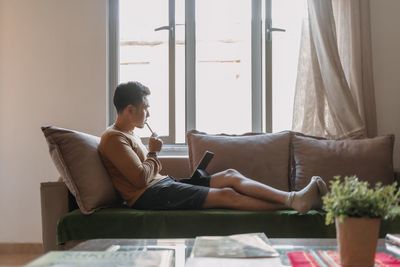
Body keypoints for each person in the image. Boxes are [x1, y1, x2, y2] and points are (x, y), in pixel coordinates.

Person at [99, 81, 328, 213]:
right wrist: (153, 152)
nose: (149, 113)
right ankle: (291, 204)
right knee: (227, 195)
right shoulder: (113, 139)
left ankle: (292, 197)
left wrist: (152, 155)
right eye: (145, 107)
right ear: (130, 110)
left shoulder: (128, 134)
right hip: (149, 196)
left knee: (230, 175)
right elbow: (139, 180)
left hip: (162, 186)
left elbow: (149, 173)